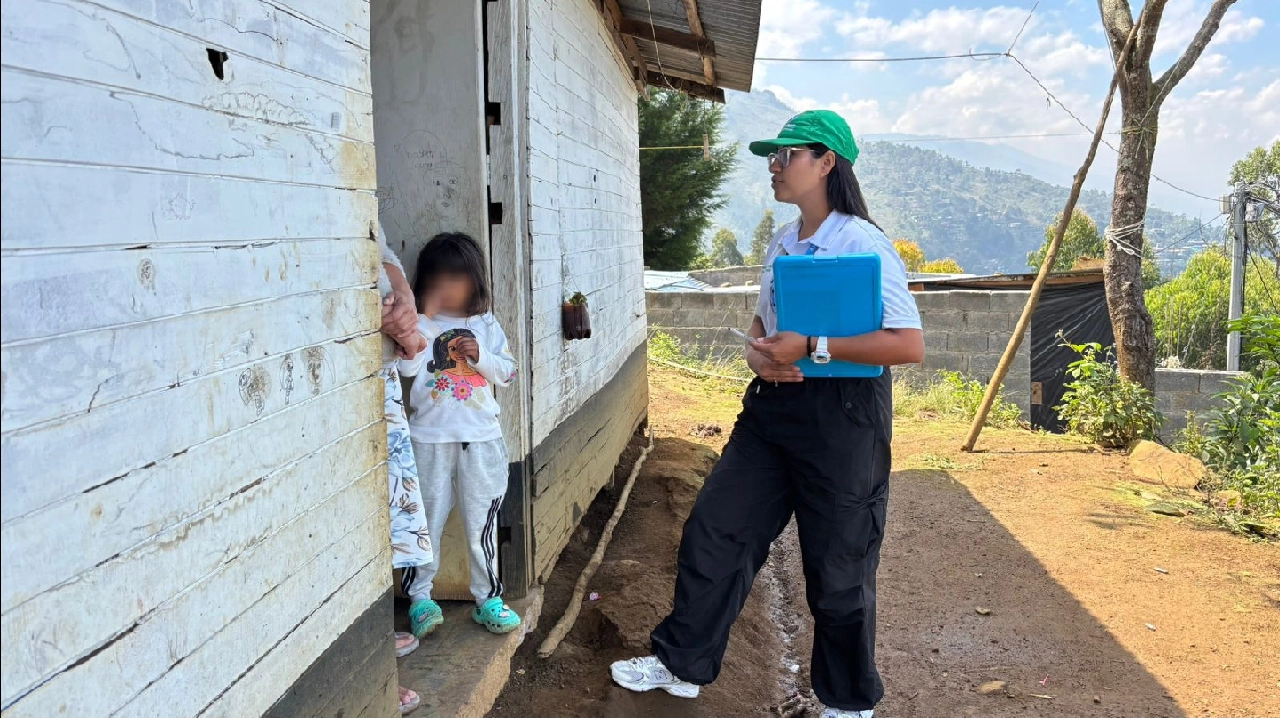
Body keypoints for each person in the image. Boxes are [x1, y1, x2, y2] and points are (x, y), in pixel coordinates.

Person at [609, 110, 924, 719]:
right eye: (771, 158)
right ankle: (683, 664)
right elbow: (764, 323)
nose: (774, 167)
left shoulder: (862, 243)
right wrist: (761, 356)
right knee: (716, 528)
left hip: (844, 417)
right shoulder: (783, 243)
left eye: (788, 156)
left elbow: (907, 344)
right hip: (773, 410)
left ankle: (847, 702)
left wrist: (813, 347)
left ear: (827, 162)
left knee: (840, 562)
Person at [397, 232, 522, 638]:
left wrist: (479, 355)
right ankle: (420, 599)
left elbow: (509, 373)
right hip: (429, 438)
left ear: (475, 281)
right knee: (426, 521)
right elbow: (407, 371)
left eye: (458, 278)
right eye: (439, 279)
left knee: (480, 521)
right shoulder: (416, 324)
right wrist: (422, 318)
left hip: (481, 437)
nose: (448, 288)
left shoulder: (484, 324)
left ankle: (487, 599)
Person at [375, 226, 433, 716]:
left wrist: (403, 305)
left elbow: (381, 245)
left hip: (378, 373)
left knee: (378, 510)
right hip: (345, 366)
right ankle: (367, 675)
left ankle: (370, 642)